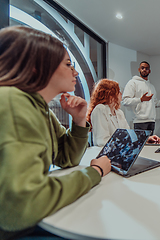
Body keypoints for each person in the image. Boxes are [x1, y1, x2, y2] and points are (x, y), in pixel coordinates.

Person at [0, 26, 112, 240]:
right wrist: (94, 173)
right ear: (35, 67)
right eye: (68, 65)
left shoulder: (39, 108)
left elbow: (66, 158)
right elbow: (20, 207)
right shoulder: (13, 102)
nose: (75, 72)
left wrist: (79, 120)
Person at [86, 79, 160, 146]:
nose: (121, 94)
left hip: (119, 153)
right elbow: (102, 141)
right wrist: (126, 143)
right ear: (110, 94)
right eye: (118, 91)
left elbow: (129, 135)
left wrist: (145, 139)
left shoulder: (119, 113)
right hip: (104, 156)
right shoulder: (100, 109)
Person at [122, 61, 160, 133]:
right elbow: (125, 101)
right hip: (139, 122)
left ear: (149, 71)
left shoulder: (151, 86)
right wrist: (140, 99)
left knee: (150, 144)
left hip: (151, 121)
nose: (144, 70)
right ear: (139, 70)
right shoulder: (132, 83)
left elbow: (155, 103)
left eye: (146, 68)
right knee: (141, 144)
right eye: (142, 68)